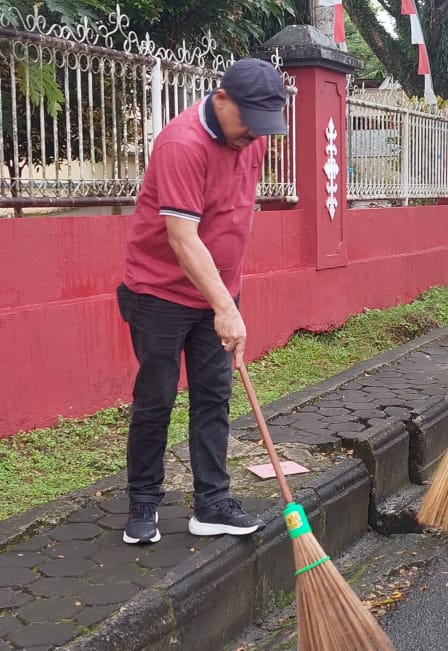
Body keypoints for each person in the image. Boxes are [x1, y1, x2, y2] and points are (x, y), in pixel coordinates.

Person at [116, 59, 287, 545]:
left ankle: (212, 503)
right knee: (156, 398)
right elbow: (183, 237)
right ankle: (143, 502)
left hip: (219, 291)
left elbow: (232, 213)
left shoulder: (251, 138)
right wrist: (226, 308)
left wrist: (227, 294)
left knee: (214, 395)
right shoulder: (182, 144)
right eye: (248, 122)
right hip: (159, 294)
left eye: (262, 126)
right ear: (221, 99)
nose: (253, 136)